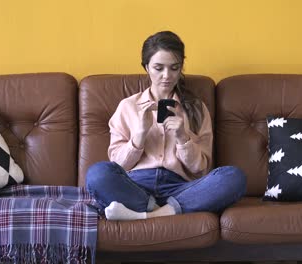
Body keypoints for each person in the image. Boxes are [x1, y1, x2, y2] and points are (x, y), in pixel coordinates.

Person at [86, 31, 246, 221]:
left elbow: (201, 169)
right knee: (97, 174)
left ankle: (144, 215)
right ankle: (157, 208)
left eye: (174, 68)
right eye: (158, 68)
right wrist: (138, 137)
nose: (166, 76)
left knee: (233, 177)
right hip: (135, 186)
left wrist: (183, 138)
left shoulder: (196, 108)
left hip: (180, 188)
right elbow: (118, 165)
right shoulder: (127, 107)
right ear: (146, 67)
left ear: (180, 68)